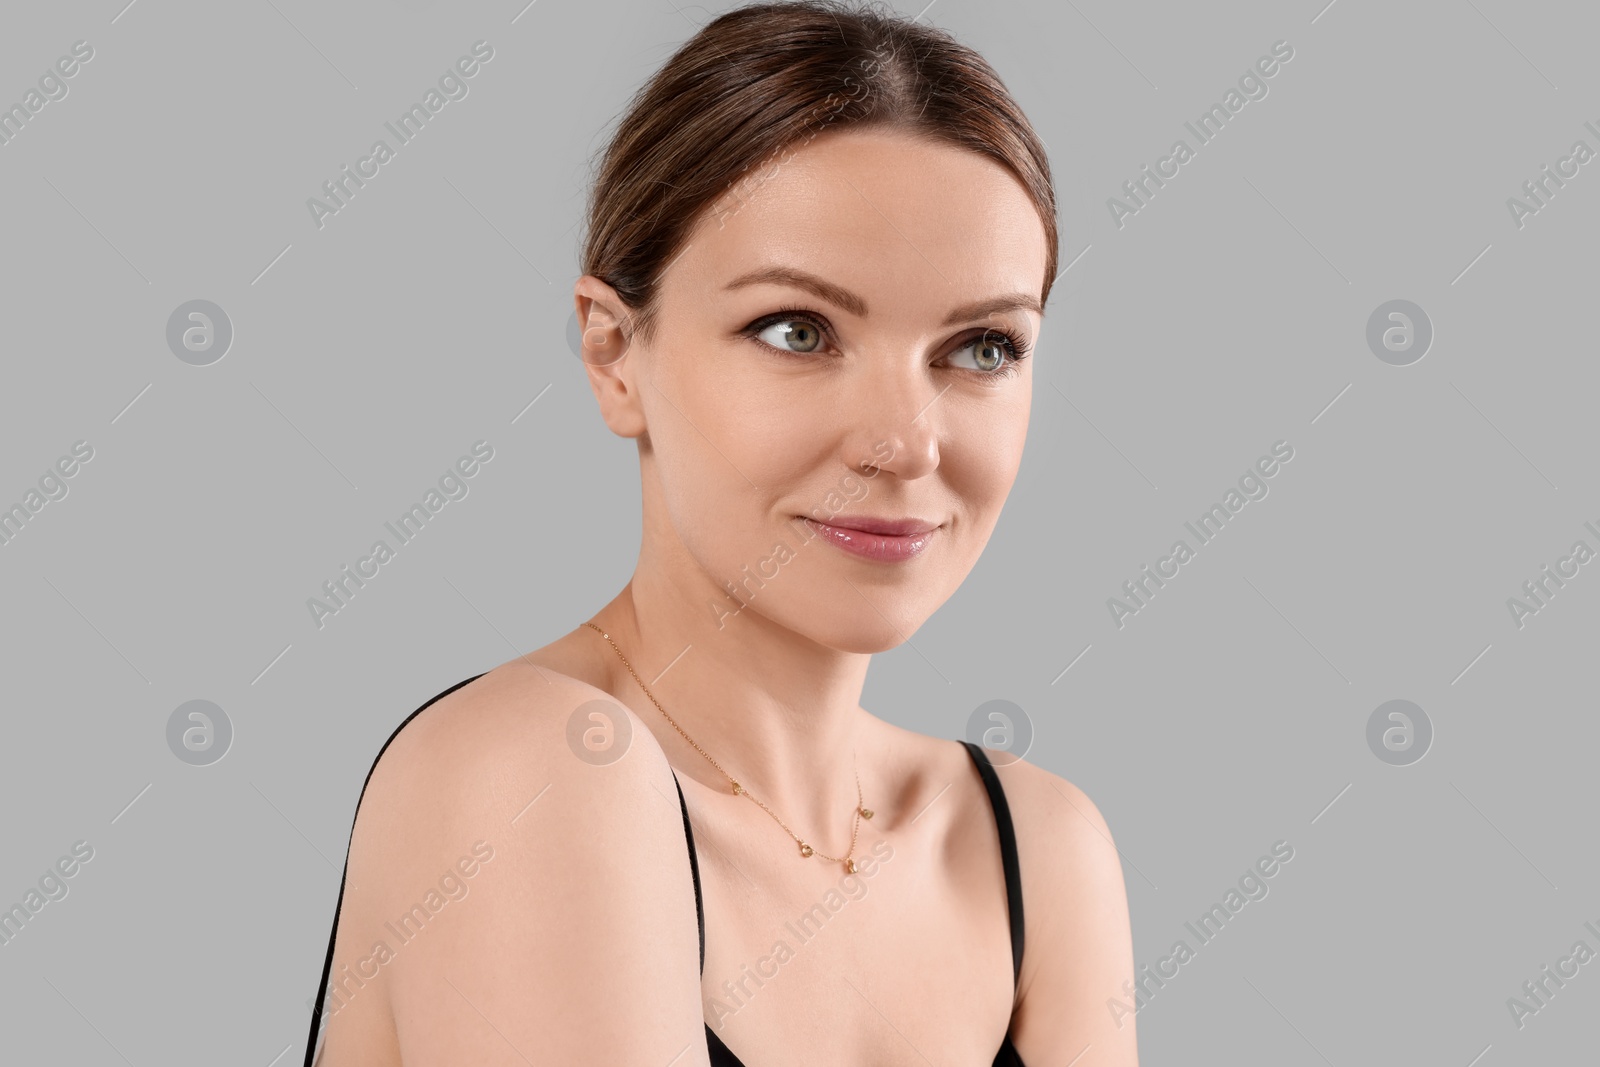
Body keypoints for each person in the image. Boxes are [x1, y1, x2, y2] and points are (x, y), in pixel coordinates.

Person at [303, 2, 1137, 1063]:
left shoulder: (1036, 844)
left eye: (980, 347)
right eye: (797, 331)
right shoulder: (539, 772)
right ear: (614, 356)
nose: (905, 442)